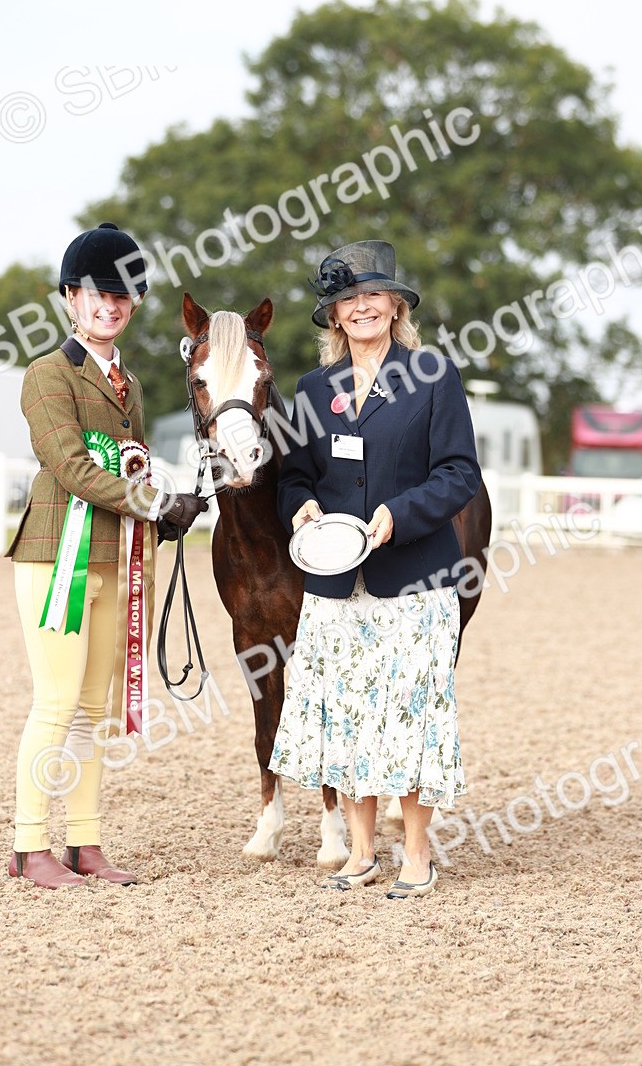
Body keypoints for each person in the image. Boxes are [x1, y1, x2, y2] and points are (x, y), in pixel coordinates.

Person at [270, 240, 482, 899]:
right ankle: (360, 854)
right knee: (349, 715)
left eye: (373, 295)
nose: (361, 307)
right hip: (336, 585)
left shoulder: (433, 376)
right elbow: (295, 477)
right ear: (334, 316)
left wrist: (400, 512)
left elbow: (459, 474)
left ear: (395, 305)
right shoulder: (314, 389)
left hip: (415, 579)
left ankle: (416, 854)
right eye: (347, 299)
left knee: (411, 717)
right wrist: (301, 505)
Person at [6, 222, 207, 889]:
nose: (109, 306)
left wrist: (167, 509)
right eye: (96, 293)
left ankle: (84, 843)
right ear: (70, 297)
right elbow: (68, 466)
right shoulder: (47, 375)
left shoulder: (130, 386)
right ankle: (30, 845)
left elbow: (131, 471)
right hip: (55, 555)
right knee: (56, 701)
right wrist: (151, 505)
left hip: (117, 559)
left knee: (95, 709)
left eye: (122, 296)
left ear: (134, 304)